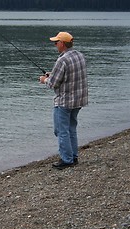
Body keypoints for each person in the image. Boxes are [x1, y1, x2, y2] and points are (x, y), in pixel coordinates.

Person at [39, 31, 88, 170]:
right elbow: (70, 76)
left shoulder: (62, 60)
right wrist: (52, 75)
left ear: (62, 43)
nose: (55, 45)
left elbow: (52, 84)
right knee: (71, 128)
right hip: (78, 100)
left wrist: (44, 79)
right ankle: (73, 156)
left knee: (61, 130)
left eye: (56, 42)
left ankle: (67, 160)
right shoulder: (79, 55)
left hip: (65, 101)